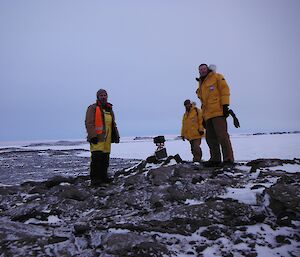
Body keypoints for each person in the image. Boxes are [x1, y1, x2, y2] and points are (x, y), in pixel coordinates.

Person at [196, 64, 234, 167]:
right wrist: (203, 117)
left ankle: (228, 159)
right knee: (210, 138)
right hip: (207, 115)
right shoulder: (201, 83)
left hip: (218, 112)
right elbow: (204, 102)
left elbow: (225, 90)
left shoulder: (217, 77)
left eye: (204, 69)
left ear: (207, 69)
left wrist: (225, 105)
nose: (202, 71)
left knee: (222, 136)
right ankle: (215, 159)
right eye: (200, 70)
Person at [85, 89, 120, 185]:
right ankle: (95, 180)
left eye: (105, 95)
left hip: (107, 139)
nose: (103, 97)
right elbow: (89, 122)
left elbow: (113, 124)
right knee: (96, 159)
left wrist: (116, 136)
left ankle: (104, 177)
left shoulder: (109, 109)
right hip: (97, 138)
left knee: (105, 159)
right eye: (101, 95)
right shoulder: (92, 108)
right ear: (98, 97)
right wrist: (92, 136)